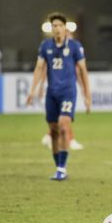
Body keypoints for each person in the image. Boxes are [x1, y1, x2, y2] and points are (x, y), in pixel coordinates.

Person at [26, 12, 92, 181]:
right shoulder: (45, 46)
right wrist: (32, 91)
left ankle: (62, 168)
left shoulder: (75, 46)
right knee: (54, 131)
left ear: (65, 28)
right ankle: (58, 167)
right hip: (52, 94)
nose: (57, 29)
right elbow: (39, 69)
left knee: (63, 126)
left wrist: (87, 95)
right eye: (54, 26)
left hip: (68, 93)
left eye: (60, 25)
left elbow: (83, 72)